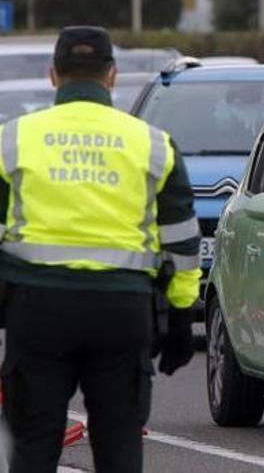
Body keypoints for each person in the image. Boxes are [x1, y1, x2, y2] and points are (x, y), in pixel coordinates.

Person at [0, 27, 200, 473]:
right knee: (119, 447)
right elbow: (183, 240)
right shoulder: (152, 144)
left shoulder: (11, 139)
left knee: (33, 445)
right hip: (122, 314)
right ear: (111, 75)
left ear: (54, 75)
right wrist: (182, 315)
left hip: (37, 312)